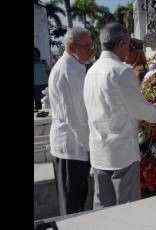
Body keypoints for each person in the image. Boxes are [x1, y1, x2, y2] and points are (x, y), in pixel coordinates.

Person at [83, 23, 156, 209]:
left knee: (103, 209)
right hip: (121, 152)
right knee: (127, 210)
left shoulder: (91, 71)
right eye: (128, 45)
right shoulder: (121, 70)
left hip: (100, 150)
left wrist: (148, 107)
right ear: (122, 44)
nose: (129, 50)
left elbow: (115, 107)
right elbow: (138, 111)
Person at [48, 27, 93, 215]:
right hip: (72, 148)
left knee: (76, 200)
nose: (91, 51)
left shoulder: (75, 66)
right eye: (87, 47)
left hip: (75, 146)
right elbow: (75, 116)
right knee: (72, 206)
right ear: (72, 47)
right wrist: (89, 146)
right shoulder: (68, 71)